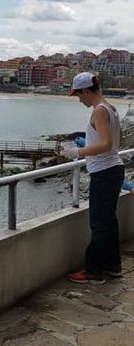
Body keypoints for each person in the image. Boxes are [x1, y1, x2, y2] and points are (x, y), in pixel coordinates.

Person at [64, 72, 124, 284]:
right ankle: (113, 264)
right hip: (114, 169)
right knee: (109, 221)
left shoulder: (99, 111)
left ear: (86, 91)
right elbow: (119, 141)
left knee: (99, 223)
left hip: (104, 172)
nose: (79, 100)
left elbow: (106, 144)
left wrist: (77, 152)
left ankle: (94, 272)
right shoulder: (111, 109)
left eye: (78, 95)